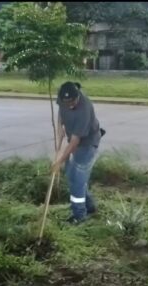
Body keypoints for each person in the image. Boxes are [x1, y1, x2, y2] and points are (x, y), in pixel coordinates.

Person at [51, 81, 104, 224]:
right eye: (66, 103)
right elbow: (61, 111)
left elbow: (75, 141)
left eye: (72, 102)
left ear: (77, 97)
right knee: (71, 175)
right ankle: (90, 206)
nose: (70, 105)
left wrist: (59, 161)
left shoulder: (84, 108)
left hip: (87, 144)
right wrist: (60, 127)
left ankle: (79, 215)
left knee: (77, 181)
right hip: (73, 140)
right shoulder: (63, 97)